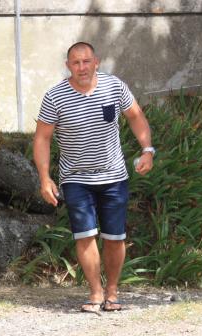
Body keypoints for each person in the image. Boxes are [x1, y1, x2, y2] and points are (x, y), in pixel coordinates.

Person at [33, 42, 154, 313]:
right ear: (68, 66)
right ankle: (95, 292)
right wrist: (44, 177)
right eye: (75, 63)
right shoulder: (55, 97)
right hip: (75, 178)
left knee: (115, 237)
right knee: (85, 235)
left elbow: (136, 116)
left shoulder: (114, 87)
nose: (81, 67)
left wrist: (147, 150)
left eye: (86, 61)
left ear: (96, 62)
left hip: (114, 176)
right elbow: (42, 138)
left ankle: (112, 291)